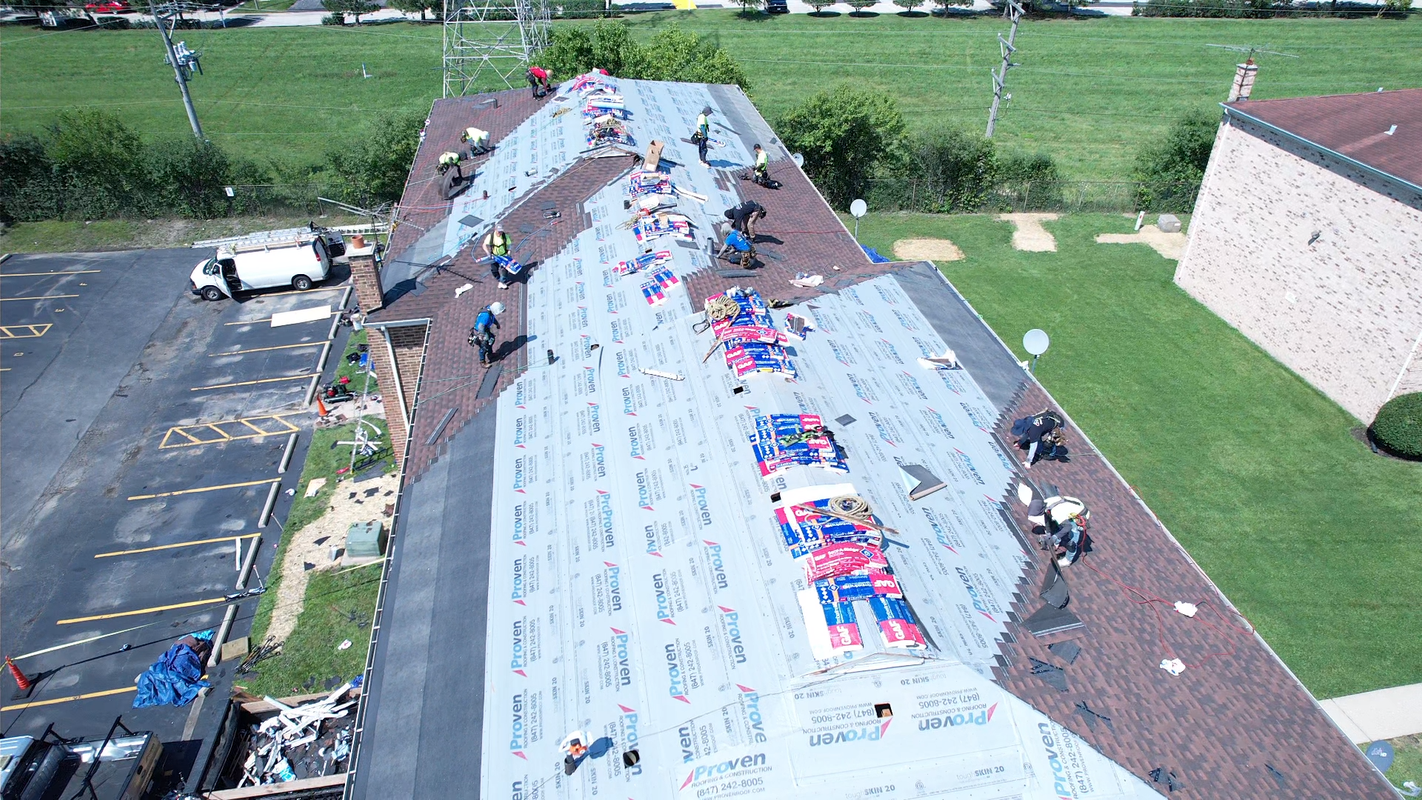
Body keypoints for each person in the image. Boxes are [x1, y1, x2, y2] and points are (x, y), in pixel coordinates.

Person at [470, 301, 504, 367]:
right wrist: (482, 336)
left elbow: (492, 318)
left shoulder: (489, 310)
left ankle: (490, 355)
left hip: (485, 330)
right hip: (480, 332)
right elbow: (480, 326)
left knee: (491, 341)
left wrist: (497, 324)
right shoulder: (486, 316)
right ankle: (482, 361)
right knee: (484, 347)